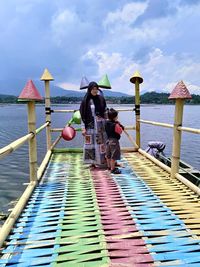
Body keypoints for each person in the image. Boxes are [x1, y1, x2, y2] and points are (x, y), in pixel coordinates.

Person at [79, 81, 107, 167]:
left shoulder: (101, 98)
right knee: (90, 145)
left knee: (101, 143)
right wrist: (83, 127)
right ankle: (92, 162)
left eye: (96, 89)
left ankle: (101, 162)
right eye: (93, 89)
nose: (95, 91)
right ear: (89, 89)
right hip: (90, 125)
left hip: (100, 125)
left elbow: (105, 111)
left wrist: (108, 122)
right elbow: (82, 114)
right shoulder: (86, 100)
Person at [105, 108, 124, 174]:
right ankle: (113, 169)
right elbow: (120, 131)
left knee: (108, 155)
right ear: (115, 117)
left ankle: (109, 167)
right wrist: (120, 125)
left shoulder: (106, 123)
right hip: (114, 141)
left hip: (108, 140)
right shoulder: (115, 125)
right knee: (114, 155)